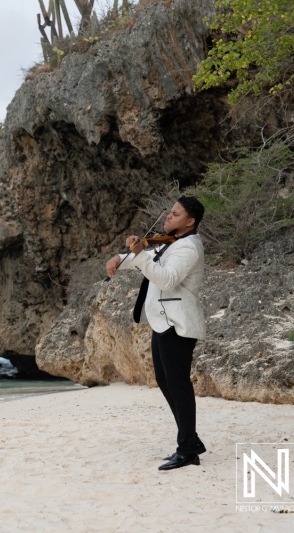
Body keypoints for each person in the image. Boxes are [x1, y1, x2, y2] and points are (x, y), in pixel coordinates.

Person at [105, 196, 207, 471]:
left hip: (177, 324)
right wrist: (120, 257)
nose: (169, 217)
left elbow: (165, 277)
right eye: (170, 212)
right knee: (165, 381)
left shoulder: (189, 248)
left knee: (179, 386)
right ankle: (192, 440)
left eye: (175, 214)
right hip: (161, 321)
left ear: (190, 221)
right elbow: (148, 257)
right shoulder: (172, 242)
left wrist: (139, 253)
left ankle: (187, 450)